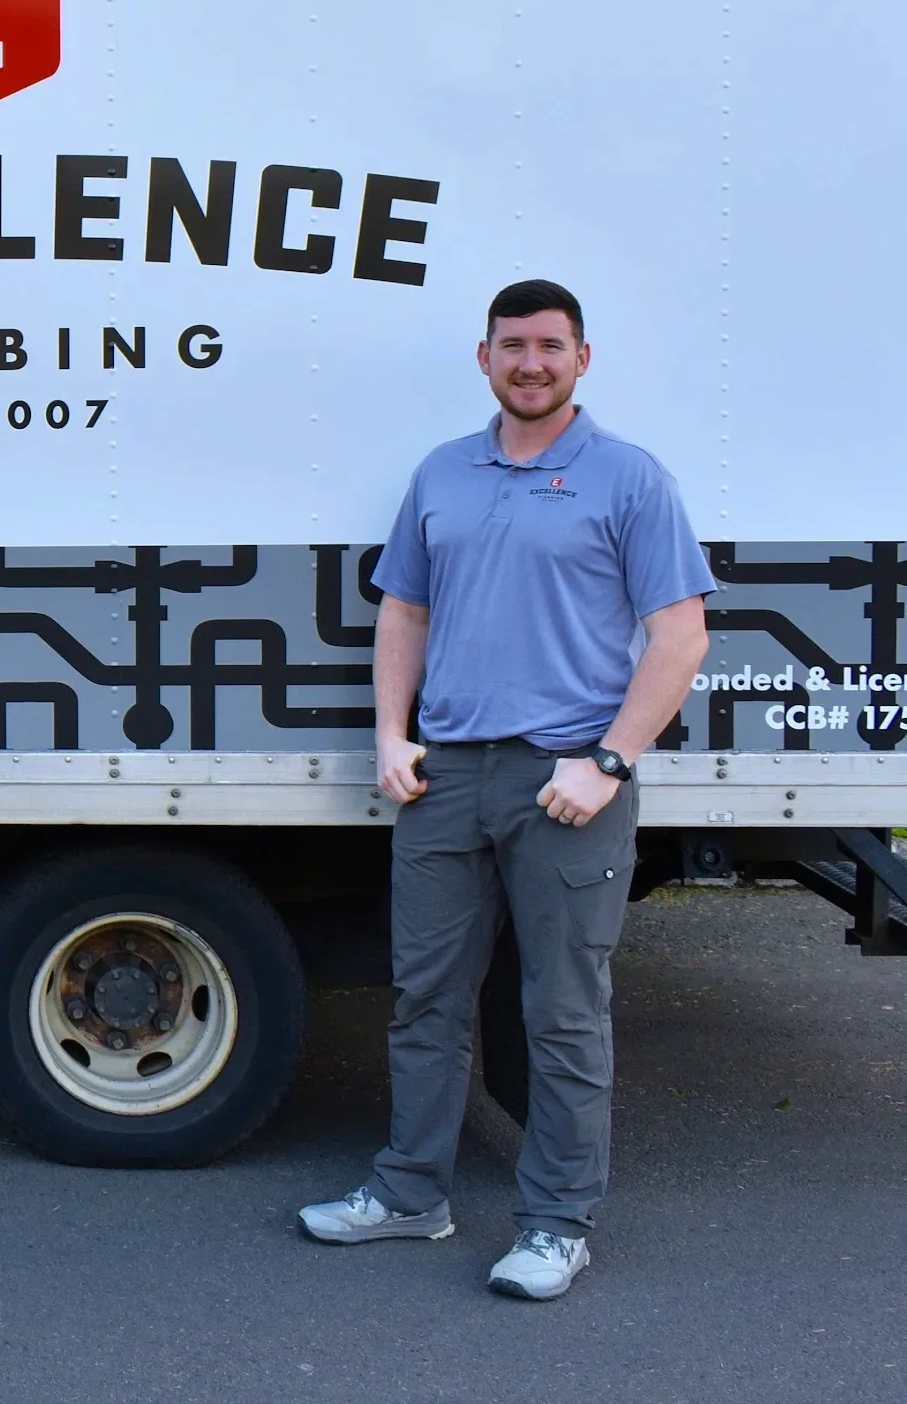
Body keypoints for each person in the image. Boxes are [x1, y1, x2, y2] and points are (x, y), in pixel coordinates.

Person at [298, 278, 712, 1299]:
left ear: (581, 358)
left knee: (561, 1014)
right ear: (483, 356)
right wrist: (390, 735)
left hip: (565, 781)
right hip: (445, 777)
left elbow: (679, 636)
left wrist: (607, 761)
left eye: (550, 346)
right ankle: (410, 1194)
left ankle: (556, 1225)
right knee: (424, 1000)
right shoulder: (443, 471)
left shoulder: (628, 477)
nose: (531, 363)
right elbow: (404, 611)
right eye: (512, 345)